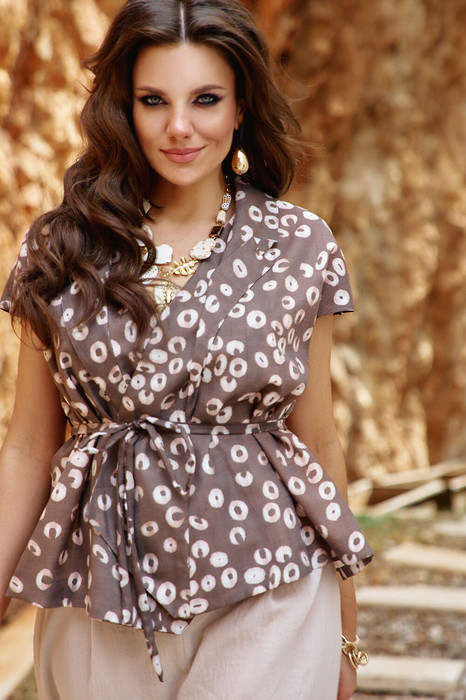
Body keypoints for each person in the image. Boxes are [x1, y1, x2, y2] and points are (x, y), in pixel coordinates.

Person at [0, 1, 373, 698]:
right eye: (153, 100)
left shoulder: (299, 244)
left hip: (271, 579)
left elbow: (317, 439)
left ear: (240, 107)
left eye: (205, 99)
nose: (179, 126)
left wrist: (347, 631)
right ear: (124, 108)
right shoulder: (61, 248)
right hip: (101, 583)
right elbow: (27, 447)